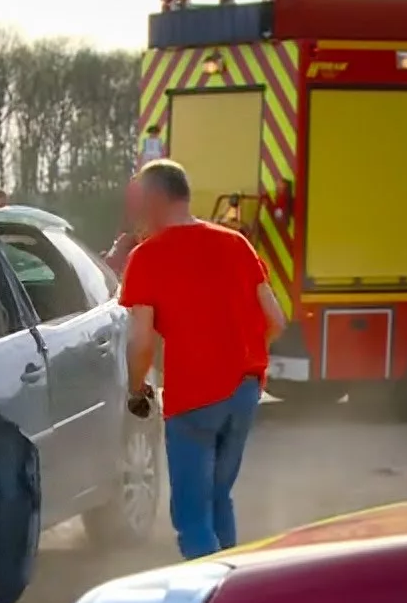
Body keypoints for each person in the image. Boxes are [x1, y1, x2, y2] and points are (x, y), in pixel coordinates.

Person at [118, 159, 287, 561]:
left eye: (142, 200)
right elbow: (275, 320)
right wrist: (239, 352)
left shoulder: (147, 256)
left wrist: (136, 387)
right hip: (244, 391)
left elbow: (141, 341)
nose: (138, 210)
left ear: (157, 199)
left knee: (192, 517)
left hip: (193, 397)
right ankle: (235, 590)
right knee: (218, 498)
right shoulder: (235, 244)